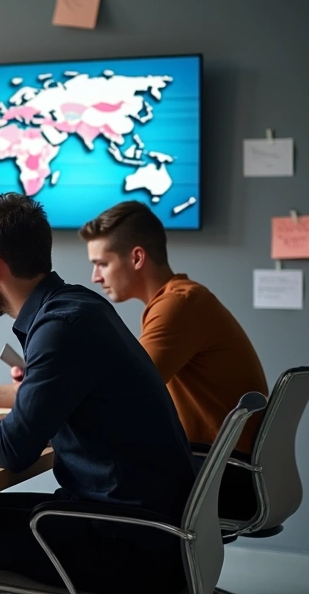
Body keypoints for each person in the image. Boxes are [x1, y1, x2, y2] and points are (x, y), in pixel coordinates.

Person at [0, 194, 195, 594]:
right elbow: (33, 419)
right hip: (141, 528)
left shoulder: (61, 327)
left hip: (131, 543)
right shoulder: (75, 309)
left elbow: (14, 450)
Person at [79, 200, 268, 520]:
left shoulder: (178, 306)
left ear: (137, 257)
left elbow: (119, 391)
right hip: (217, 464)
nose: (95, 277)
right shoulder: (179, 300)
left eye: (102, 263)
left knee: (87, 481)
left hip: (220, 473)